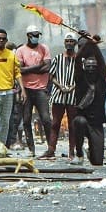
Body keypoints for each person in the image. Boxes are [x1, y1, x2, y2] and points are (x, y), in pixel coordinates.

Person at [0, 29, 26, 145]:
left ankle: (1, 145)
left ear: (6, 40)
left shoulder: (11, 55)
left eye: (3, 39)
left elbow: (17, 72)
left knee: (6, 121)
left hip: (8, 92)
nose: (1, 41)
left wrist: (22, 89)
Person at [16, 24, 52, 158]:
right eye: (34, 35)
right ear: (28, 36)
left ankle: (50, 147)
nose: (36, 38)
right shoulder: (20, 51)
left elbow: (47, 67)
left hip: (41, 89)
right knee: (26, 120)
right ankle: (31, 149)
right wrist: (38, 66)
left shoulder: (44, 48)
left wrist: (28, 68)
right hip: (26, 89)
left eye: (38, 35)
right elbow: (19, 70)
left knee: (46, 119)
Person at [71, 39, 106, 165]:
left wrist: (94, 45)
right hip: (84, 120)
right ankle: (79, 153)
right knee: (79, 121)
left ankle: (90, 151)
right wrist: (88, 43)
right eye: (88, 67)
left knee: (97, 162)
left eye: (93, 67)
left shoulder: (102, 80)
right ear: (84, 67)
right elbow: (77, 59)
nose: (91, 69)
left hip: (96, 123)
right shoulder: (80, 79)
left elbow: (101, 61)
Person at [45, 32, 79, 160]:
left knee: (72, 125)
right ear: (64, 43)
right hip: (58, 95)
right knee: (55, 123)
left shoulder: (79, 59)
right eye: (67, 41)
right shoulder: (58, 58)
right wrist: (60, 86)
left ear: (75, 43)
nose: (69, 43)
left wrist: (71, 87)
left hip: (72, 96)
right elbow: (51, 76)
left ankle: (72, 151)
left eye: (72, 41)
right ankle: (51, 149)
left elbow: (81, 78)